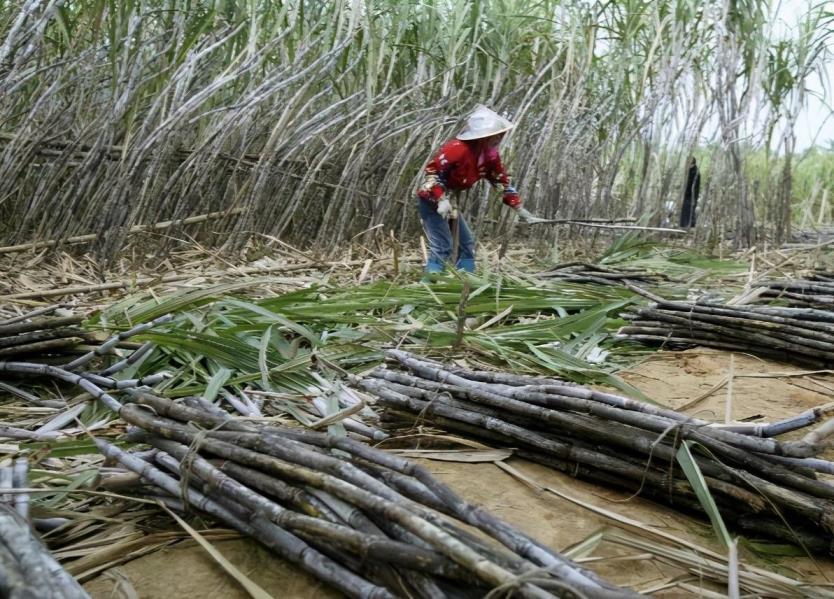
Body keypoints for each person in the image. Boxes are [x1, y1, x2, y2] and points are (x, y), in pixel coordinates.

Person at [416, 105, 540, 274]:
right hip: (432, 201)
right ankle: (430, 284)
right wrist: (441, 200)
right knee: (443, 245)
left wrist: (519, 208)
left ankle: (466, 279)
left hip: (451, 203)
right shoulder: (456, 149)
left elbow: (500, 180)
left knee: (467, 243)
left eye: (500, 134)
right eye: (495, 135)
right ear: (482, 136)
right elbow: (432, 174)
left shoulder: (490, 156)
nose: (499, 138)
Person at [680, 157, 700, 228]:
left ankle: (690, 225)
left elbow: (692, 185)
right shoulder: (689, 170)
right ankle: (684, 225)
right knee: (685, 210)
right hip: (687, 195)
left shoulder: (695, 172)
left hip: (692, 195)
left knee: (690, 210)